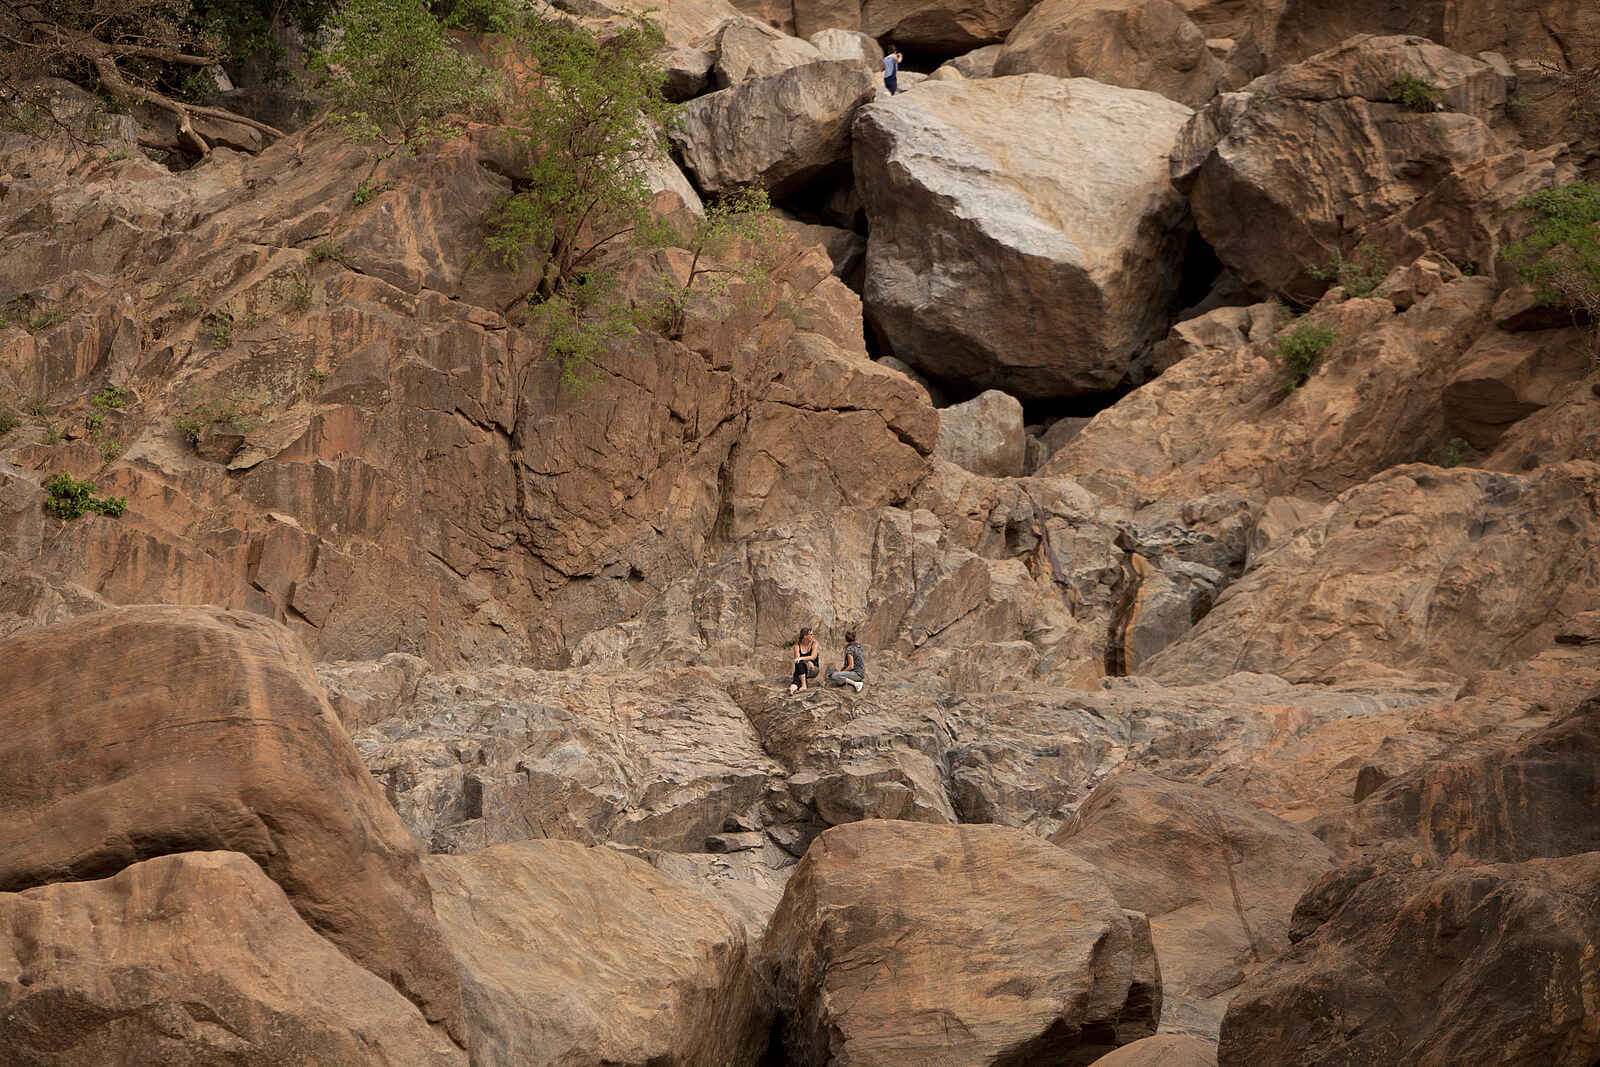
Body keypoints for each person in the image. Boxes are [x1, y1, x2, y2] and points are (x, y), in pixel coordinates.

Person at [789, 627, 819, 694]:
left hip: (813, 668)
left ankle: (803, 685)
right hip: (802, 668)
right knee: (798, 665)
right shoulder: (797, 645)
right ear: (805, 636)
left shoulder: (815, 643)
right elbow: (797, 659)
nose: (813, 636)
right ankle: (792, 688)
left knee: (799, 666)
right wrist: (807, 661)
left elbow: (813, 657)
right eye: (811, 634)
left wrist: (803, 659)